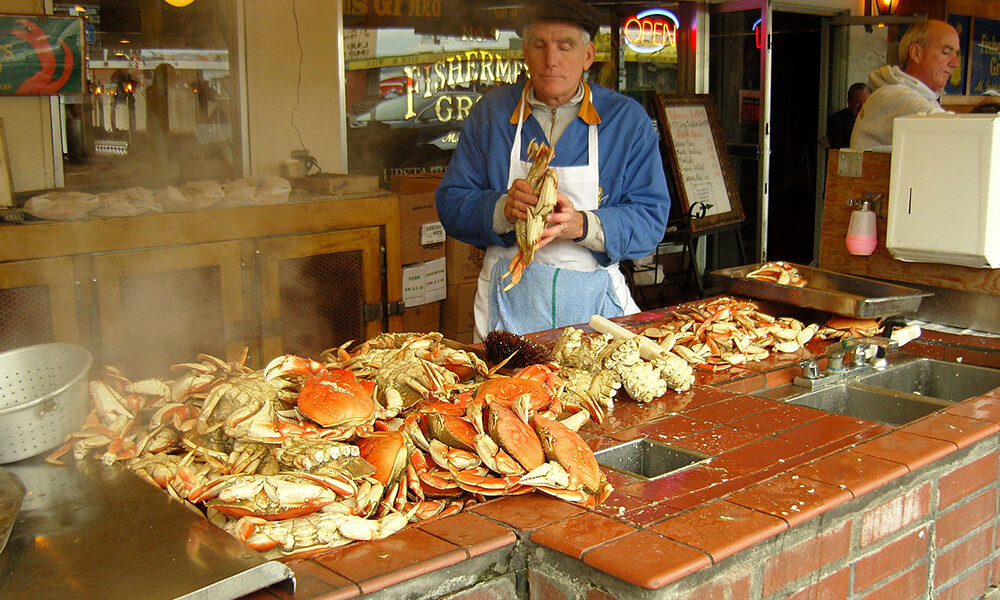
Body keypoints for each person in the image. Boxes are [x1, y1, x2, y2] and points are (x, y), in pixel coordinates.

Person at [435, 0, 671, 341]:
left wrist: (581, 224)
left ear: (588, 55)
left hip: (596, 312)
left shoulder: (626, 121)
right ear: (525, 52)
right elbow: (451, 203)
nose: (551, 60)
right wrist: (501, 210)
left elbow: (650, 219)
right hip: (506, 308)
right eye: (538, 45)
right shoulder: (492, 114)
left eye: (565, 46)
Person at [850, 19, 960, 149]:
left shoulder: (913, 96)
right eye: (946, 52)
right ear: (916, 53)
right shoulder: (892, 96)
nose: (955, 63)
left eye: (956, 54)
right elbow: (958, 132)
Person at [827, 82, 870, 149]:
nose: (862, 106)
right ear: (849, 102)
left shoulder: (874, 119)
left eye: (865, 102)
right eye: (857, 102)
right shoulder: (837, 120)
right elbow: (838, 149)